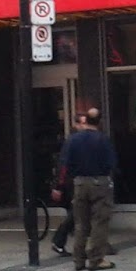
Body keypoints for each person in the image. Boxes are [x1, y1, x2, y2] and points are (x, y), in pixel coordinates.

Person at [53, 108, 117, 271]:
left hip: (79, 183)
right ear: (99, 122)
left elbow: (65, 164)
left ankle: (78, 260)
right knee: (99, 222)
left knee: (80, 223)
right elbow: (111, 164)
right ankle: (96, 259)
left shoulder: (73, 140)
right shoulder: (103, 140)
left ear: (85, 120)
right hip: (100, 183)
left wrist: (61, 185)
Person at [50, 109, 90, 257]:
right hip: (71, 183)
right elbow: (64, 165)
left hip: (75, 181)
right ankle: (59, 240)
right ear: (77, 124)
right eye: (83, 123)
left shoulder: (78, 139)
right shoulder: (73, 141)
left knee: (78, 214)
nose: (86, 126)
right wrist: (59, 186)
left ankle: (66, 242)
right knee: (77, 214)